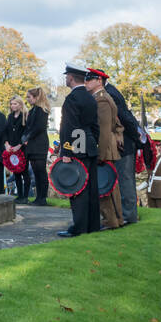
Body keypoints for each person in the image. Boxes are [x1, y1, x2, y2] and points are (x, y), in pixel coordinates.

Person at [92, 69, 145, 225]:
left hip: (125, 144)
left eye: (90, 79)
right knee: (122, 180)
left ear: (99, 80)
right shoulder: (110, 91)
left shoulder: (110, 94)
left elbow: (125, 118)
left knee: (125, 181)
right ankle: (124, 215)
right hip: (125, 142)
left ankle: (129, 216)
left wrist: (137, 138)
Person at [57, 62, 101, 237]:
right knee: (91, 188)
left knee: (77, 188)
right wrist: (92, 143)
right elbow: (95, 126)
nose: (66, 79)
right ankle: (92, 225)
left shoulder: (72, 99)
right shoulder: (90, 97)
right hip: (88, 145)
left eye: (67, 76)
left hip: (76, 147)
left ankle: (79, 227)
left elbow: (69, 127)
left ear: (71, 78)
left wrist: (67, 151)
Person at [84, 70, 124, 229]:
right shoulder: (102, 98)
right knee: (110, 187)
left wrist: (100, 154)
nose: (86, 83)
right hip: (107, 148)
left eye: (89, 80)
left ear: (99, 80)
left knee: (105, 186)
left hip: (105, 149)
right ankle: (116, 219)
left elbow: (104, 129)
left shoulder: (101, 100)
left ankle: (111, 220)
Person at [23, 87, 51, 204]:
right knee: (36, 171)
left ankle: (42, 197)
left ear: (36, 97)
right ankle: (38, 197)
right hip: (32, 145)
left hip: (39, 144)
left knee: (41, 172)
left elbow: (39, 127)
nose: (27, 99)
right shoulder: (33, 110)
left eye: (29, 97)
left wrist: (28, 137)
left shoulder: (41, 110)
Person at [2, 97, 28, 202]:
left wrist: (20, 145)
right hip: (12, 148)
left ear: (20, 104)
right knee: (16, 172)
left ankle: (25, 196)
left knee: (24, 172)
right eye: (11, 104)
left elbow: (26, 132)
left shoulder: (24, 116)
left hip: (22, 148)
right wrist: (7, 144)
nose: (13, 106)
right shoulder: (9, 117)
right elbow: (5, 132)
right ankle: (20, 195)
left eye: (15, 104)